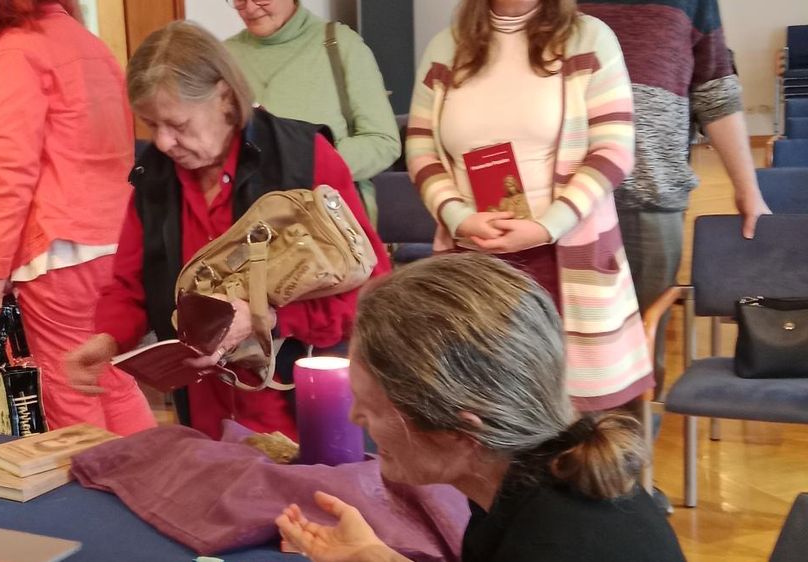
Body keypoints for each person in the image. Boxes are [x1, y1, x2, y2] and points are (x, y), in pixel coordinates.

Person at [65, 21, 392, 441]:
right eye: (150, 125)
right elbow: (129, 284)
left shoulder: (304, 157)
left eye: (178, 124)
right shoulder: (155, 178)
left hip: (301, 401)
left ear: (223, 97)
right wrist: (107, 339)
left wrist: (269, 318)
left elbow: (372, 286)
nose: (163, 143)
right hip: (205, 406)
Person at [275, 253, 685, 562]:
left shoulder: (551, 542)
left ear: (459, 429)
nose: (354, 419)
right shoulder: (545, 481)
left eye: (369, 407)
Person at [405, 0, 651, 411]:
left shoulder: (589, 38)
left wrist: (548, 225)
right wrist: (458, 218)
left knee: (565, 418)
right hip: (473, 259)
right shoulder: (445, 47)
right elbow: (419, 147)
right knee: (484, 414)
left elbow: (614, 150)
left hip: (562, 259)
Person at [0, 0, 156, 435]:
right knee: (112, 378)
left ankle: (93, 499)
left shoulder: (15, 54)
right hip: (112, 236)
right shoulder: (92, 45)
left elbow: (9, 169)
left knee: (71, 386)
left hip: (58, 244)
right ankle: (150, 485)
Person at [577, 0, 771, 386]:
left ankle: (632, 441)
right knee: (555, 345)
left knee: (639, 353)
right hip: (558, 201)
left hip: (650, 198)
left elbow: (715, 89)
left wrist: (748, 188)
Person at [224, 0, 400, 224]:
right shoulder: (226, 57)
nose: (248, 8)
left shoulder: (339, 45)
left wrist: (303, 164)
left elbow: (384, 143)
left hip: (330, 228)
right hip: (249, 226)